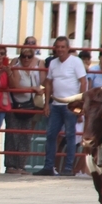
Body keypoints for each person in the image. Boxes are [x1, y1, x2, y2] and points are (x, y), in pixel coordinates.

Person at [34, 36, 87, 176]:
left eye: (63, 47)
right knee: (51, 135)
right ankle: (48, 166)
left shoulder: (76, 62)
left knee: (70, 135)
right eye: (58, 47)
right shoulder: (53, 63)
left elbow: (83, 82)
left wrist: (80, 104)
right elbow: (49, 83)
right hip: (56, 104)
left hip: (71, 104)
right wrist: (46, 104)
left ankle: (68, 168)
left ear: (68, 48)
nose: (60, 49)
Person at [4, 45, 43, 174]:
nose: (26, 59)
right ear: (20, 57)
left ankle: (21, 166)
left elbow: (44, 82)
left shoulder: (34, 68)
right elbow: (14, 86)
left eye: (29, 56)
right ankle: (10, 166)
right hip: (16, 105)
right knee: (13, 136)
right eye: (23, 56)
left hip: (29, 106)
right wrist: (32, 89)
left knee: (25, 137)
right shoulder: (16, 67)